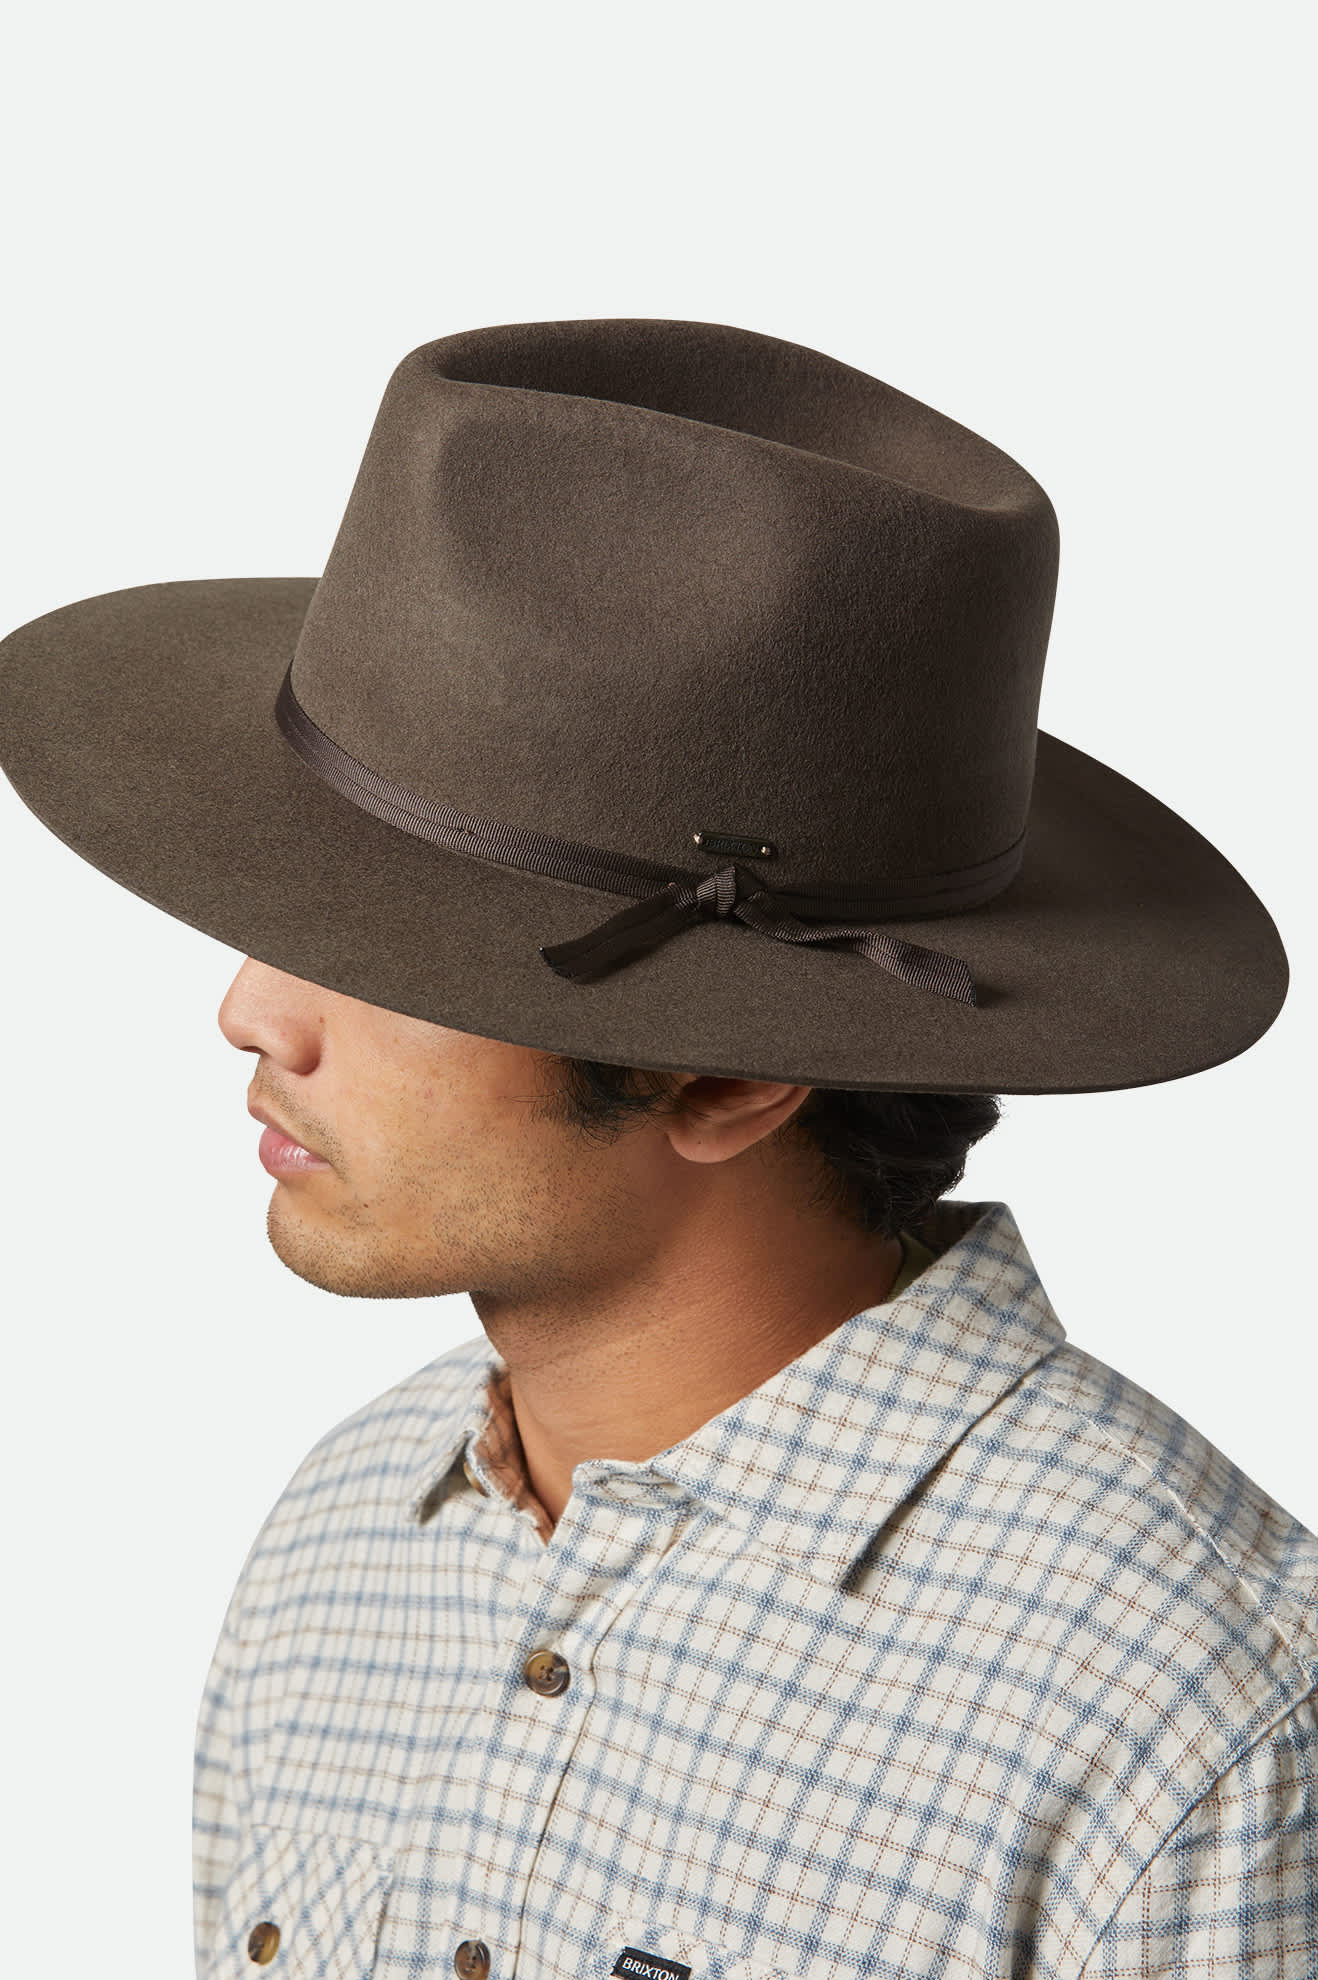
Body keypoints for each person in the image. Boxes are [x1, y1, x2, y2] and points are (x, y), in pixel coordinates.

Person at [0, 317, 1312, 1978]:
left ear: (726, 1081)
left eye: (383, 955)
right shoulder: (345, 1539)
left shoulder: (1184, 1707)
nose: (251, 1011)